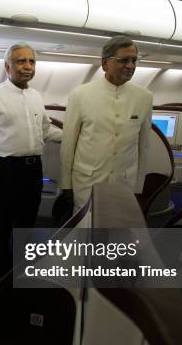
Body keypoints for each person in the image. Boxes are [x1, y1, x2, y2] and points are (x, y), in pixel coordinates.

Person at [0, 42, 62, 278]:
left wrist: (74, 136)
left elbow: (46, 130)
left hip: (32, 172)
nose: (27, 66)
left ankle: (21, 273)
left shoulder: (35, 96)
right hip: (3, 170)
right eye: (21, 61)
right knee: (0, 227)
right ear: (7, 66)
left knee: (27, 225)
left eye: (31, 61)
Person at [60, 35, 153, 212]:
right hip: (88, 182)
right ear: (104, 63)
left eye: (134, 60)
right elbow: (68, 144)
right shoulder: (80, 94)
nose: (130, 66)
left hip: (124, 183)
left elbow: (144, 146)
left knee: (116, 233)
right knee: (85, 234)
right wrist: (66, 185)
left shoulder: (145, 97)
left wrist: (138, 186)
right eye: (123, 60)